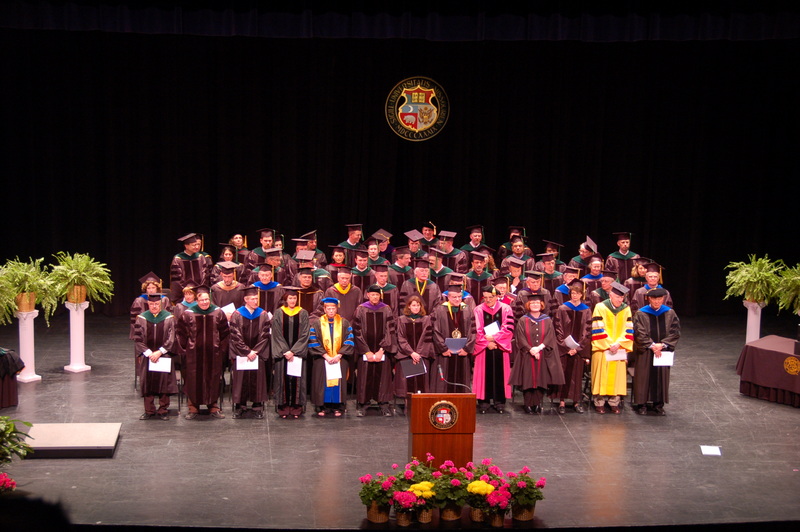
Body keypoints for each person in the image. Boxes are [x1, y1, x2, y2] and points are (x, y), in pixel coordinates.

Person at [177, 286, 229, 420]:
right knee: (193, 380)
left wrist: (221, 350)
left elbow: (225, 333)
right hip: (194, 355)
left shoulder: (218, 312)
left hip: (214, 354)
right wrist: (186, 351)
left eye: (207, 299)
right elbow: (181, 334)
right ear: (197, 300)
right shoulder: (188, 314)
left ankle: (213, 407)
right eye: (202, 300)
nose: (205, 302)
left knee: (213, 379)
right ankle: (193, 408)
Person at [509, 294, 563, 414]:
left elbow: (550, 336)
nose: (535, 305)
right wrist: (530, 350)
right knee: (527, 379)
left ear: (541, 305)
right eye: (532, 303)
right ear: (528, 305)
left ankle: (537, 403)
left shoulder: (547, 320)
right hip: (526, 354)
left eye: (537, 303)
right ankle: (528, 404)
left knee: (541, 379)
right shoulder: (523, 320)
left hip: (543, 354)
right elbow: (520, 337)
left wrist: (539, 348)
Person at [632, 288, 680, 415]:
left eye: (659, 299)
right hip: (646, 350)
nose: (657, 301)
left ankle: (658, 404)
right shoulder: (641, 313)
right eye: (654, 299)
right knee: (643, 376)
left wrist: (662, 345)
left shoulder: (670, 313)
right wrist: (652, 345)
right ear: (649, 299)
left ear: (663, 299)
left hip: (663, 351)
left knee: (661, 376)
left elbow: (675, 331)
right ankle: (641, 404)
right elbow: (638, 332)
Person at [352, 285, 397, 416]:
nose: (375, 297)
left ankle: (383, 404)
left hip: (382, 351)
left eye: (377, 295)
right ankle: (363, 404)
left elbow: (390, 331)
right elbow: (357, 331)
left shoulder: (386, 309)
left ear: (380, 295)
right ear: (368, 295)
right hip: (366, 352)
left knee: (383, 378)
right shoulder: (361, 309)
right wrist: (366, 351)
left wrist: (382, 350)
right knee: (364, 377)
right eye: (372, 294)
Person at [228, 286, 272, 419]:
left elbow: (265, 335)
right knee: (240, 380)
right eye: (252, 299)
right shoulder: (237, 314)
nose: (255, 301)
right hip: (242, 354)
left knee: (257, 379)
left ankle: (257, 406)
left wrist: (255, 351)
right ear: (246, 300)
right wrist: (247, 351)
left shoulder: (263, 314)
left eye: (256, 298)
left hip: (257, 354)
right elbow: (235, 335)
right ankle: (240, 407)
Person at [590, 282, 633, 414]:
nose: (620, 300)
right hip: (602, 347)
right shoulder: (600, 307)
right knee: (600, 374)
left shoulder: (626, 309)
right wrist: (609, 344)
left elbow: (629, 329)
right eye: (617, 297)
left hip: (619, 348)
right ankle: (599, 402)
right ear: (611, 295)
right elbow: (597, 327)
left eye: (622, 297)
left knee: (617, 376)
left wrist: (619, 344)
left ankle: (614, 402)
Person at [133, 294, 178, 420]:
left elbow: (171, 338)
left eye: (157, 304)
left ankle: (163, 410)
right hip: (147, 356)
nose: (154, 306)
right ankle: (149, 410)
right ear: (148, 304)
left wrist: (159, 352)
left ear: (161, 304)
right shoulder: (141, 318)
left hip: (164, 355)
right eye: (152, 304)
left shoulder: (169, 318)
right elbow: (138, 339)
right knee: (147, 383)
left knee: (164, 383)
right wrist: (149, 353)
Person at [473, 283, 515, 414]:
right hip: (484, 348)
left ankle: (499, 401)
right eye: (485, 297)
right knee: (483, 375)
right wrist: (487, 343)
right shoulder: (478, 310)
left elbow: (508, 328)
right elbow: (476, 330)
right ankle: (483, 402)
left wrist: (494, 338)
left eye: (490, 297)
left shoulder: (506, 309)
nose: (488, 300)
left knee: (500, 375)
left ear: (497, 296)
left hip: (500, 347)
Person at [309, 297, 355, 417]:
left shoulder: (344, 323)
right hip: (322, 358)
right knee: (322, 382)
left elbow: (349, 340)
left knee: (338, 382)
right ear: (324, 309)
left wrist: (339, 355)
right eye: (328, 308)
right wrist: (326, 356)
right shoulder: (317, 323)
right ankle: (322, 406)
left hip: (340, 358)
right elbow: (313, 340)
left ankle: (337, 406)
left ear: (336, 309)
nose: (330, 311)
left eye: (333, 308)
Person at [271, 287, 311, 419]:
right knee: (282, 379)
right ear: (285, 299)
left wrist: (294, 351)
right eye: (290, 298)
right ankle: (283, 406)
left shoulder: (303, 313)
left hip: (297, 354)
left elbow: (305, 334)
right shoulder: (279, 312)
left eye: (294, 298)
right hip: (283, 354)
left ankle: (296, 406)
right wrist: (286, 351)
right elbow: (276, 334)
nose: (292, 300)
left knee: (297, 379)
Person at [553, 279, 592, 414]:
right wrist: (566, 347)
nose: (575, 295)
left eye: (577, 293)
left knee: (577, 376)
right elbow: (558, 328)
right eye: (573, 293)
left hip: (578, 351)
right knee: (564, 374)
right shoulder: (562, 308)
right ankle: (562, 402)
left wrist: (578, 348)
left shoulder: (586, 310)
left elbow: (587, 331)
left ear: (582, 294)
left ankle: (576, 402)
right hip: (565, 350)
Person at [430, 280, 476, 393]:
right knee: (444, 381)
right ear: (448, 297)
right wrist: (443, 349)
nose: (457, 299)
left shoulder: (467, 309)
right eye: (454, 297)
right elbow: (435, 331)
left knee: (461, 379)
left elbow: (473, 330)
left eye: (459, 297)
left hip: (462, 353)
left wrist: (467, 349)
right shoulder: (439, 310)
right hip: (445, 354)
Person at [393, 295, 434, 397]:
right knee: (407, 384)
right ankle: (407, 403)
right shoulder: (401, 320)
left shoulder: (426, 319)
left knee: (421, 384)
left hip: (421, 356)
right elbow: (400, 338)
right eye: (414, 305)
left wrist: (418, 354)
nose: (416, 307)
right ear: (409, 306)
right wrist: (411, 353)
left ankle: (421, 404)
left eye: (418, 305)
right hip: (406, 355)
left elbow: (426, 338)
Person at [169, 233, 213, 303]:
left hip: (199, 293)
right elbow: (176, 280)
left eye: (198, 244)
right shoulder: (178, 259)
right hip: (184, 294)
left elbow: (204, 276)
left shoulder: (200, 257)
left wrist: (199, 289)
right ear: (186, 246)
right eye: (194, 245)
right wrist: (187, 291)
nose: (197, 247)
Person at [130, 272, 172, 340]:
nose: (151, 290)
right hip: (145, 330)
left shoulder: (164, 299)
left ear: (157, 288)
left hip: (161, 330)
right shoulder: (139, 300)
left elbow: (169, 316)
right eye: (148, 288)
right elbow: (135, 319)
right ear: (145, 289)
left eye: (153, 288)